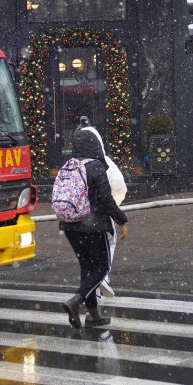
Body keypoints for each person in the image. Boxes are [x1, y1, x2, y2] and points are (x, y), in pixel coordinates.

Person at [60, 127, 128, 329]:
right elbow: (107, 200)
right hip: (93, 226)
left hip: (70, 225)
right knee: (101, 268)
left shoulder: (68, 166)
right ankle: (76, 301)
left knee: (86, 267)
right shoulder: (97, 167)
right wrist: (122, 221)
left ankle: (93, 314)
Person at [79, 124, 127, 298]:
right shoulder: (105, 164)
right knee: (108, 243)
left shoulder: (73, 164)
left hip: (77, 219)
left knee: (86, 255)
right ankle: (102, 279)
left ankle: (89, 295)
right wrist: (119, 217)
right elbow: (118, 190)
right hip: (99, 216)